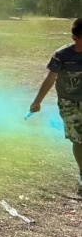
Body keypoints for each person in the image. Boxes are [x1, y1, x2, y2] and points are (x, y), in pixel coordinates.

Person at [29, 16, 82, 195]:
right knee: (78, 139)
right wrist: (37, 101)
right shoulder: (62, 55)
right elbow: (51, 78)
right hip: (69, 102)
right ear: (75, 38)